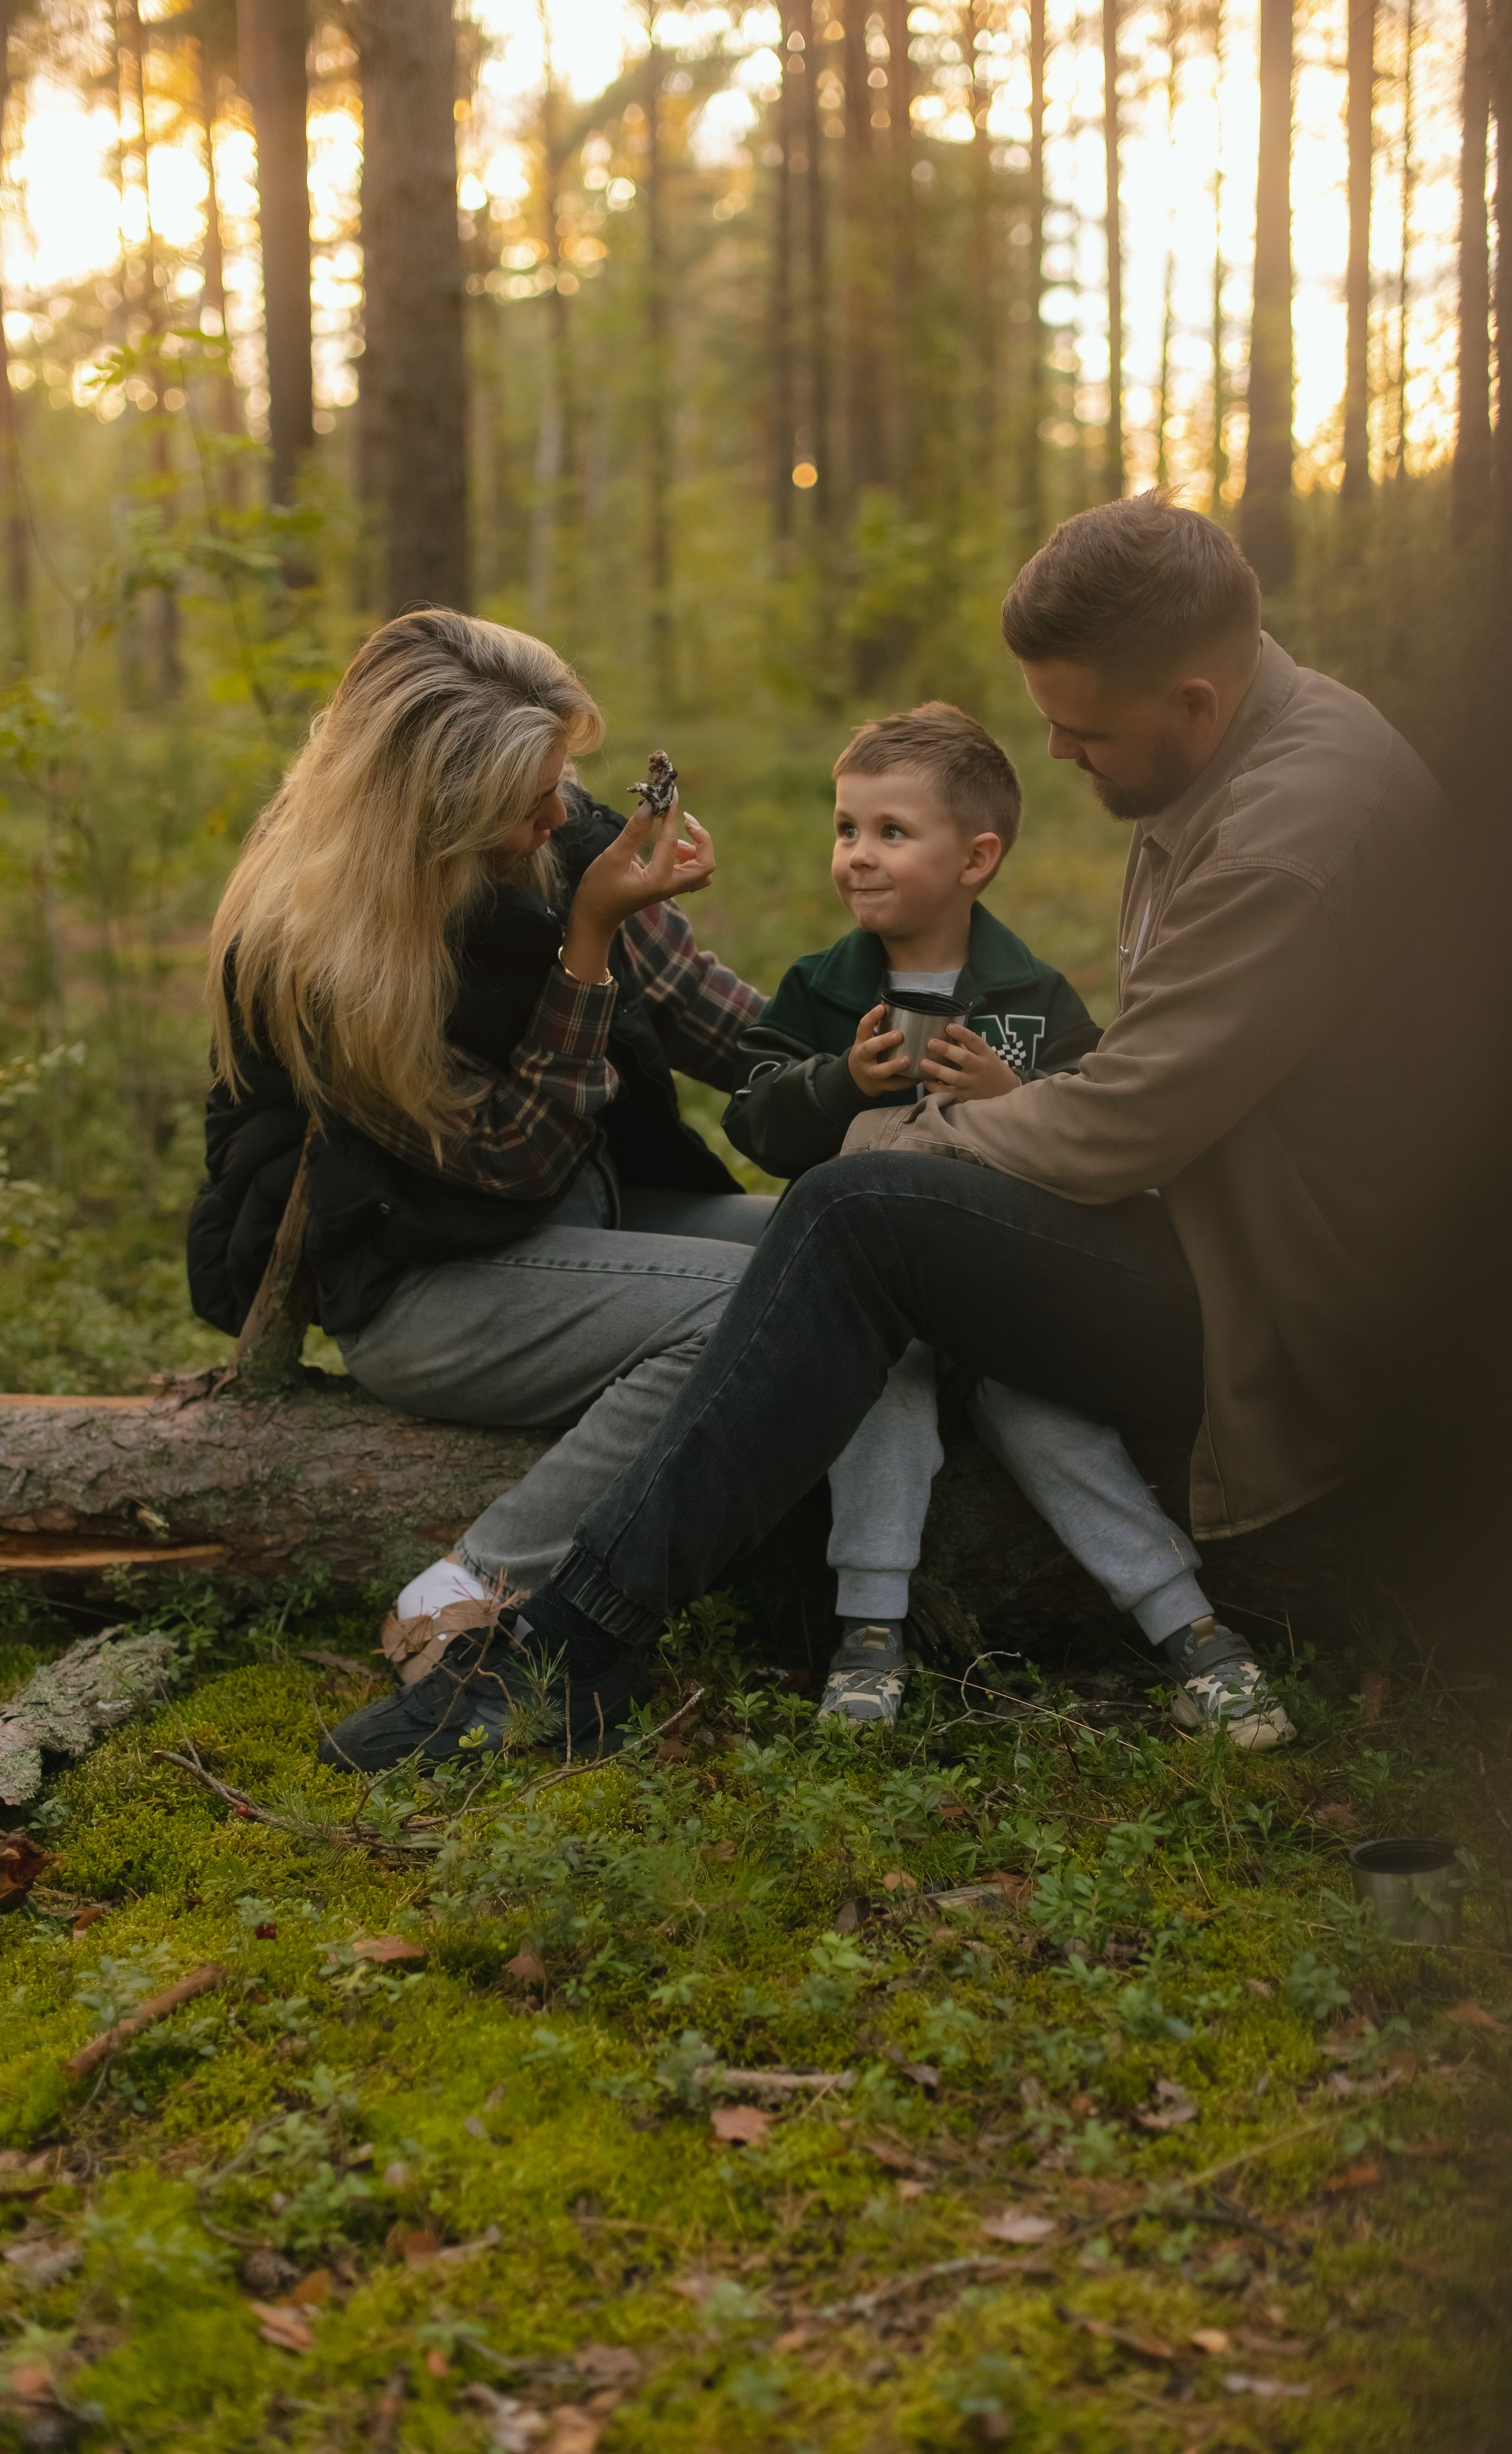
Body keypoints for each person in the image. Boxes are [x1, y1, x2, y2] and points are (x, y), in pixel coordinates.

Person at [437, 493, 1445, 1732]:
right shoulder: (1244, 756)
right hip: (1232, 1231)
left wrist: (892, 1134)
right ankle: (607, 1622)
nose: (1061, 755)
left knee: (862, 1204)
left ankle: (574, 1639)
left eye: (1083, 731)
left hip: (1287, 1302)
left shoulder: (1286, 836)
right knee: (859, 1205)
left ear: (1191, 702)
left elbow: (1123, 1122)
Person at [187, 610, 955, 1768]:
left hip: (585, 1218)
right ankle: (470, 1589)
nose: (557, 816)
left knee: (863, 1253)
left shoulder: (559, 833)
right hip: (424, 1287)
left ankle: (866, 1620)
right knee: (752, 1312)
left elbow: (722, 1025)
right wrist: (588, 943)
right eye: (527, 800)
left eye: (563, 777)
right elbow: (515, 1158)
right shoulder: (322, 955)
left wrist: (880, 1072)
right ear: (432, 815)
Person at [724, 700, 1274, 1740]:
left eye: (892, 832)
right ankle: (871, 1629)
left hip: (1000, 1283)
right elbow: (754, 1119)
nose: (858, 857)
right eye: (847, 829)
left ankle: (1190, 1628)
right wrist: (838, 1082)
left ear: (976, 858)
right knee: (879, 1396)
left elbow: (1105, 1125)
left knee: (1053, 1423)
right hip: (884, 1306)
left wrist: (1007, 1091)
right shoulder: (820, 990)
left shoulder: (1029, 994)